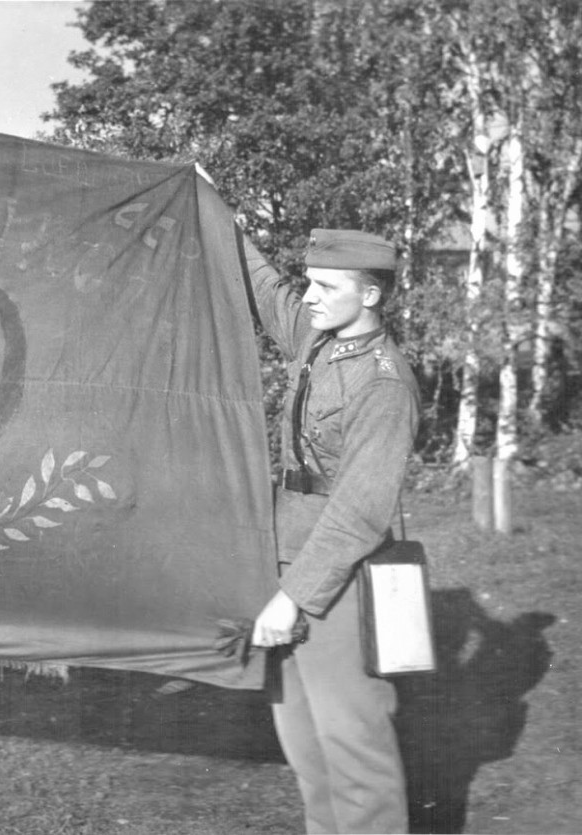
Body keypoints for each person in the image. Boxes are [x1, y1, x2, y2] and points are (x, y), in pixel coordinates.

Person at [241, 227, 420, 833]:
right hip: (287, 553)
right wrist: (216, 207)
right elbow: (267, 290)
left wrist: (293, 598)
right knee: (305, 744)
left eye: (325, 285)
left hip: (340, 574)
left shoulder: (383, 384)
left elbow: (360, 511)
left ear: (369, 295)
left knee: (353, 744)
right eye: (311, 281)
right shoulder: (318, 337)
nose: (309, 295)